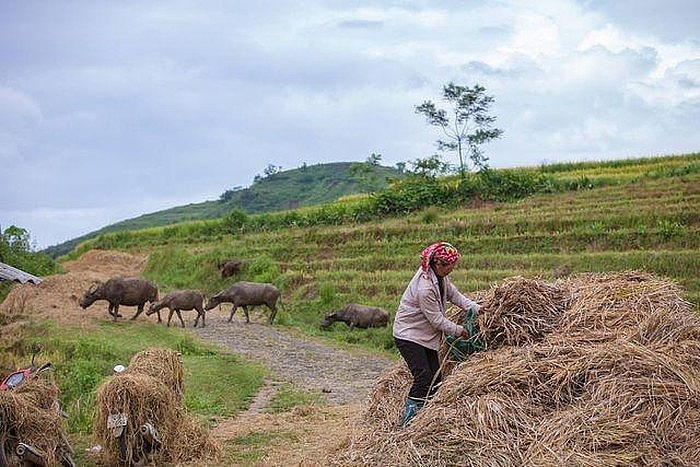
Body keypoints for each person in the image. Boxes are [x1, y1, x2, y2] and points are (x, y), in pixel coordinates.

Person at [393, 241, 480, 427]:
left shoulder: (440, 278)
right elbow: (437, 320)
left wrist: (478, 309)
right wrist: (460, 331)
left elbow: (456, 297)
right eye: (451, 266)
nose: (453, 269)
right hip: (409, 336)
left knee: (436, 379)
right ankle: (408, 422)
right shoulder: (424, 288)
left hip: (424, 336)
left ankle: (426, 419)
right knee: (423, 377)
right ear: (438, 264)